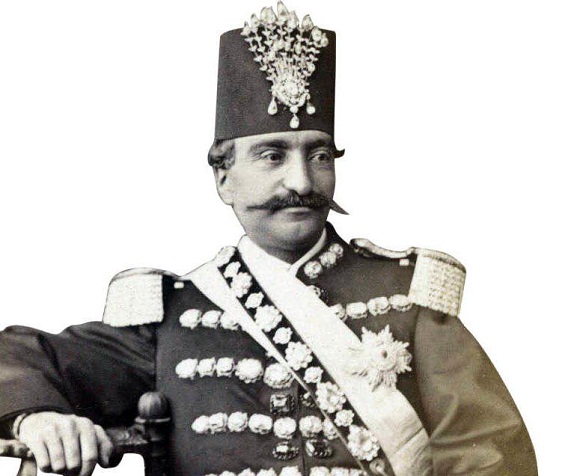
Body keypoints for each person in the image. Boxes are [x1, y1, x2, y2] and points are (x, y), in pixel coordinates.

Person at [0, 2, 536, 475]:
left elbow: (492, 457)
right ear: (223, 178)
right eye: (273, 156)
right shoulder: (169, 319)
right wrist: (36, 418)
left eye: (319, 155)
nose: (301, 182)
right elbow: (17, 358)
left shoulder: (410, 300)